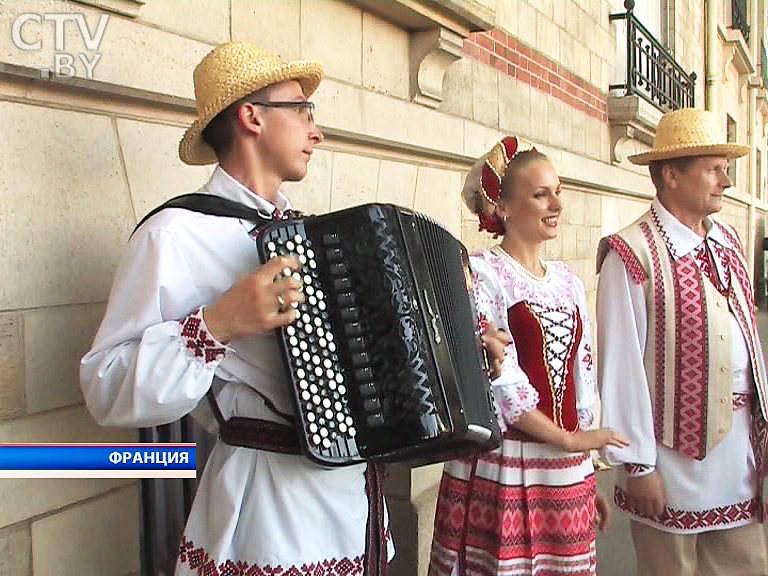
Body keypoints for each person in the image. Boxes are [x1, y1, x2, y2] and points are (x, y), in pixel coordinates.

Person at [80, 42, 395, 575]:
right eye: (303, 110)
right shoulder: (174, 235)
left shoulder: (319, 238)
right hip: (266, 514)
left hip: (357, 505)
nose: (316, 131)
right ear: (252, 116)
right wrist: (218, 323)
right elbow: (105, 387)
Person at [429, 135, 628, 576]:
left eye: (558, 191)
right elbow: (501, 382)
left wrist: (584, 472)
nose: (556, 203)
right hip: (505, 465)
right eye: (541, 194)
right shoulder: (483, 274)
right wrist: (572, 441)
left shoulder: (568, 280)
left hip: (564, 473)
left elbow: (583, 373)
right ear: (503, 207)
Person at [597, 107, 768, 576]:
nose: (726, 182)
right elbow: (622, 368)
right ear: (671, 175)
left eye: (725, 170)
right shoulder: (630, 253)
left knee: (748, 566)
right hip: (671, 464)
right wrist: (638, 467)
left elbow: (750, 346)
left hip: (739, 460)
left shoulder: (729, 243)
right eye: (714, 170)